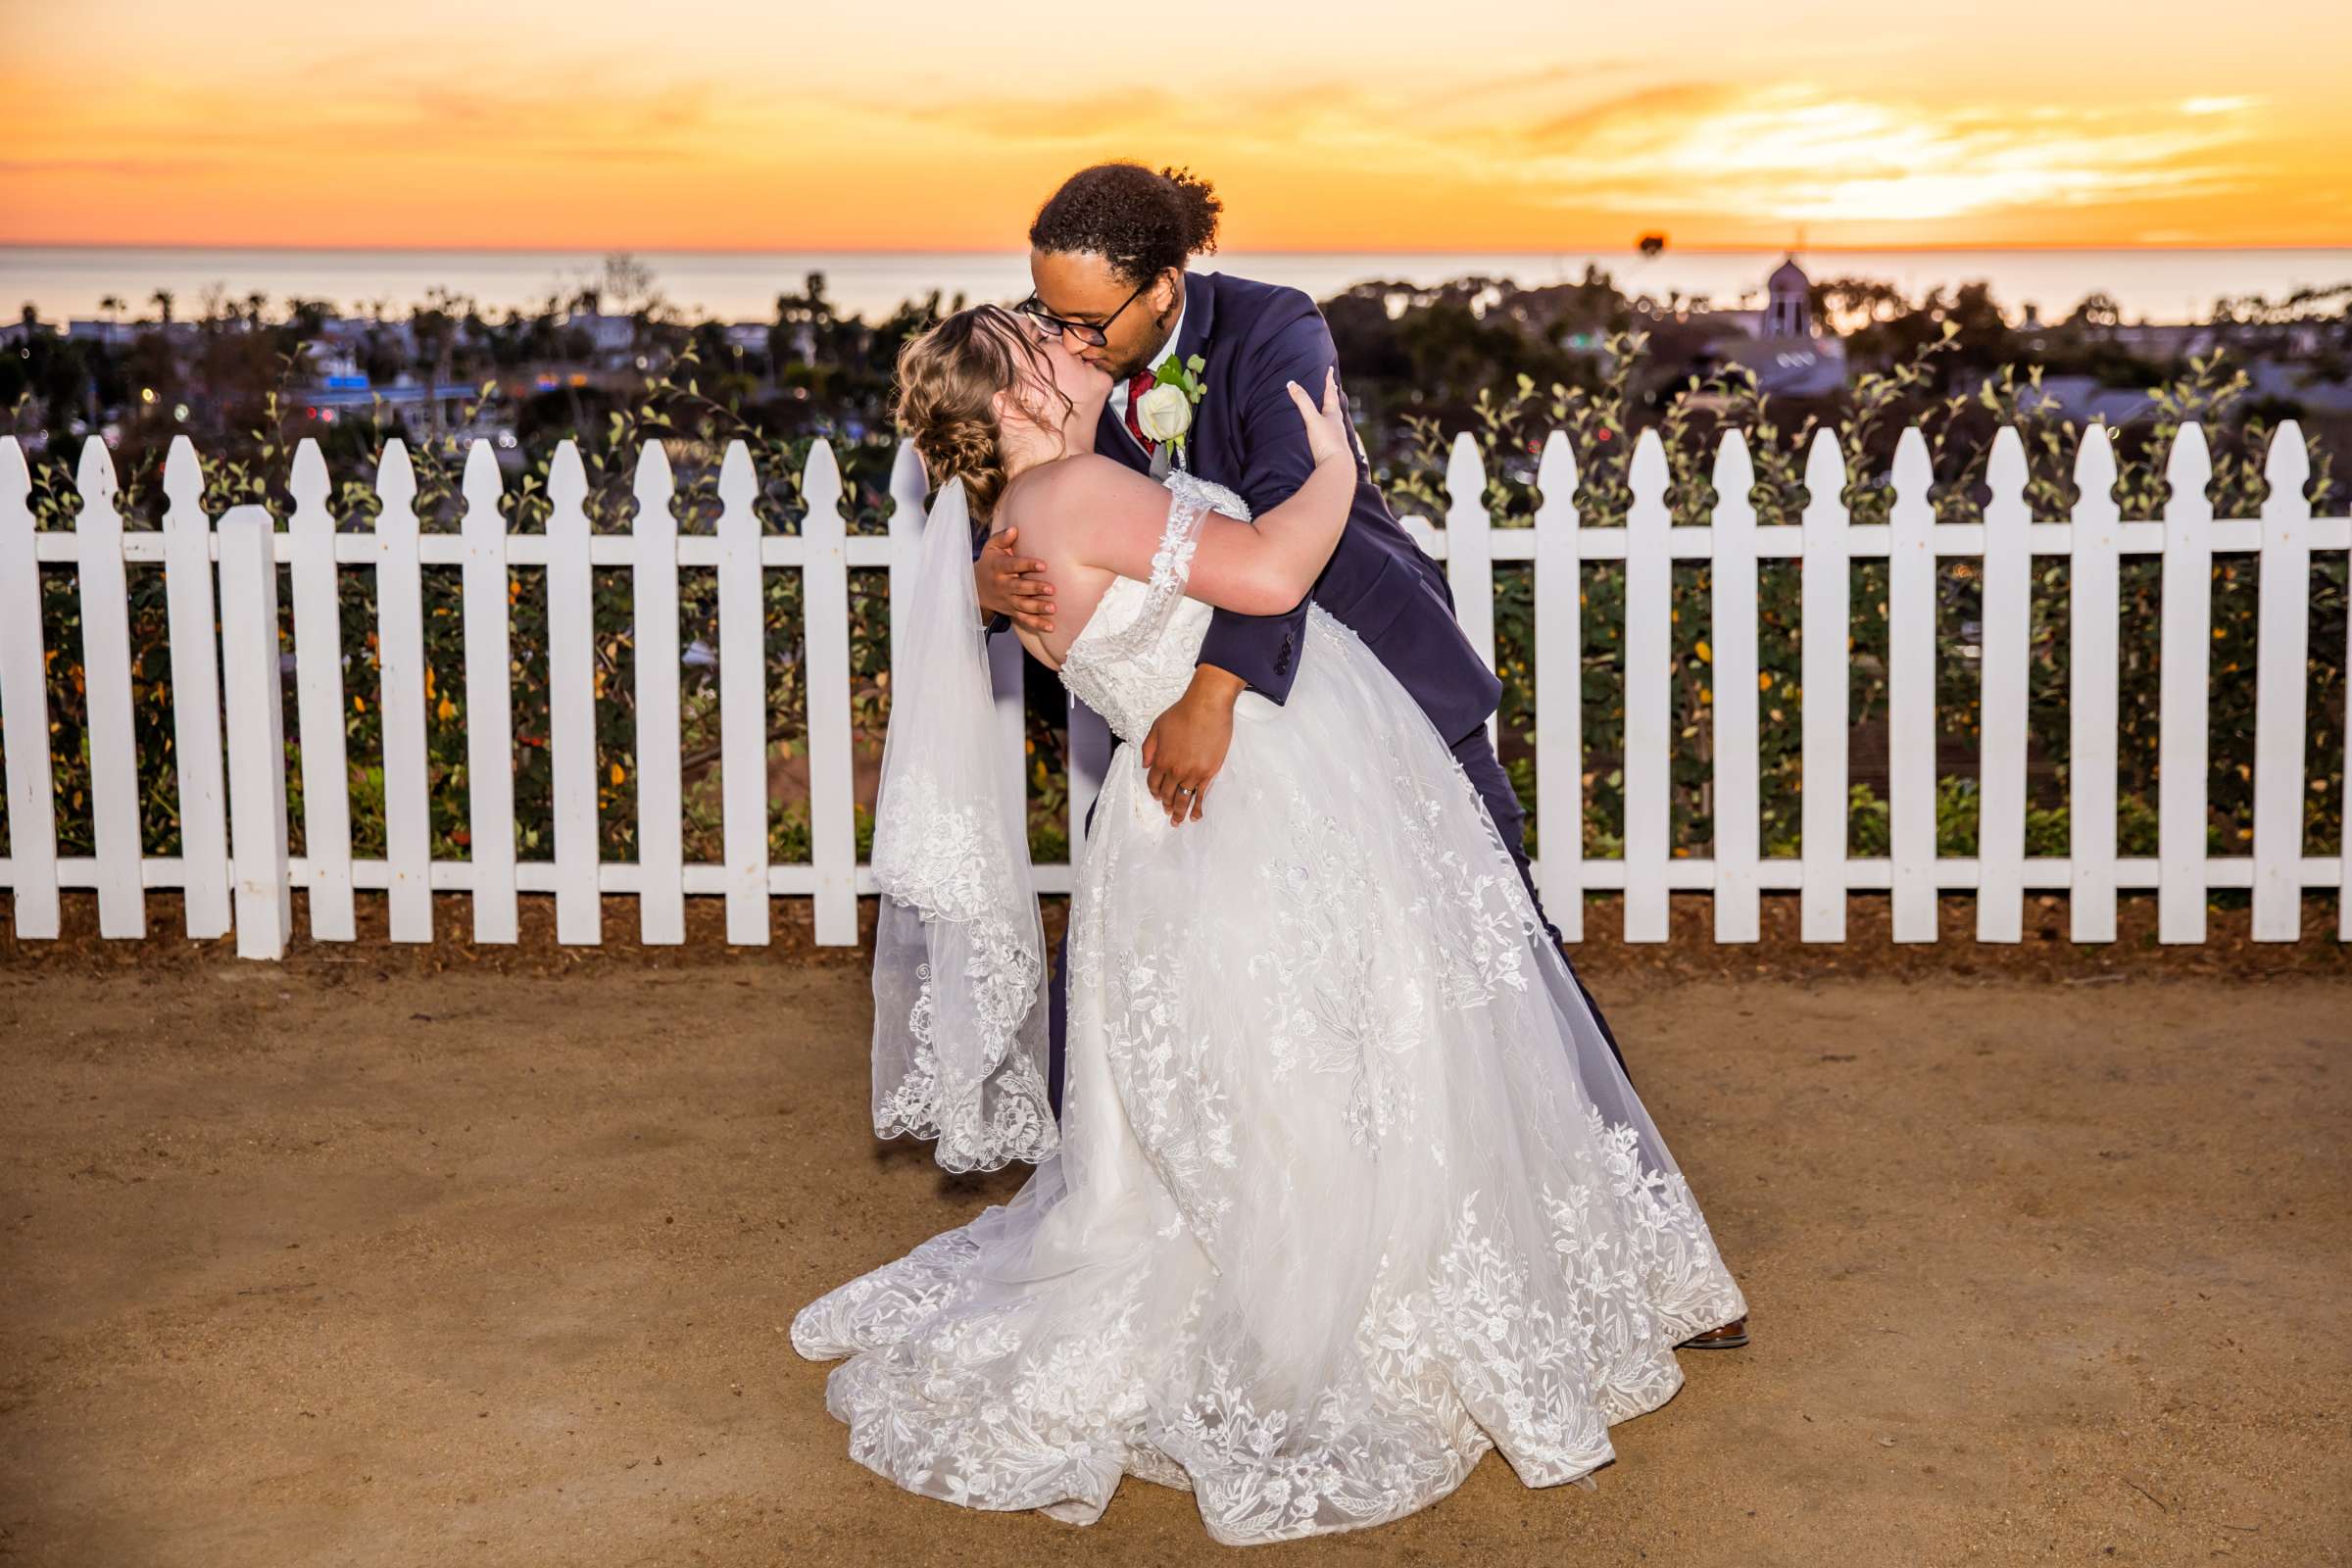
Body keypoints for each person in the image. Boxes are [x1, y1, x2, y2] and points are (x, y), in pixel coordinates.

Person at [789, 300, 1750, 1545]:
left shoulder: (1019, 522)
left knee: (1266, 1076)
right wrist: (1337, 466)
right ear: (1018, 400)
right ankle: (1353, 1315)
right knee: (1354, 1049)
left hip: (1179, 819)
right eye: (1047, 347)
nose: (1073, 349)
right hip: (1265, 806)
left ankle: (1334, 1279)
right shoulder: (1074, 488)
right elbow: (1273, 571)